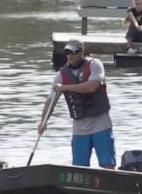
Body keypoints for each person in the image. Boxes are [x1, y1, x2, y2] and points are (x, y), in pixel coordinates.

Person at [38, 39, 116, 169]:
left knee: (107, 164)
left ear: (82, 52)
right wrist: (43, 122)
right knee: (79, 168)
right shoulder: (61, 76)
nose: (70, 56)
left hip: (101, 124)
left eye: (74, 52)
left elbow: (92, 87)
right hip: (79, 127)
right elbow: (50, 100)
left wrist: (65, 88)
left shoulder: (95, 65)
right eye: (68, 52)